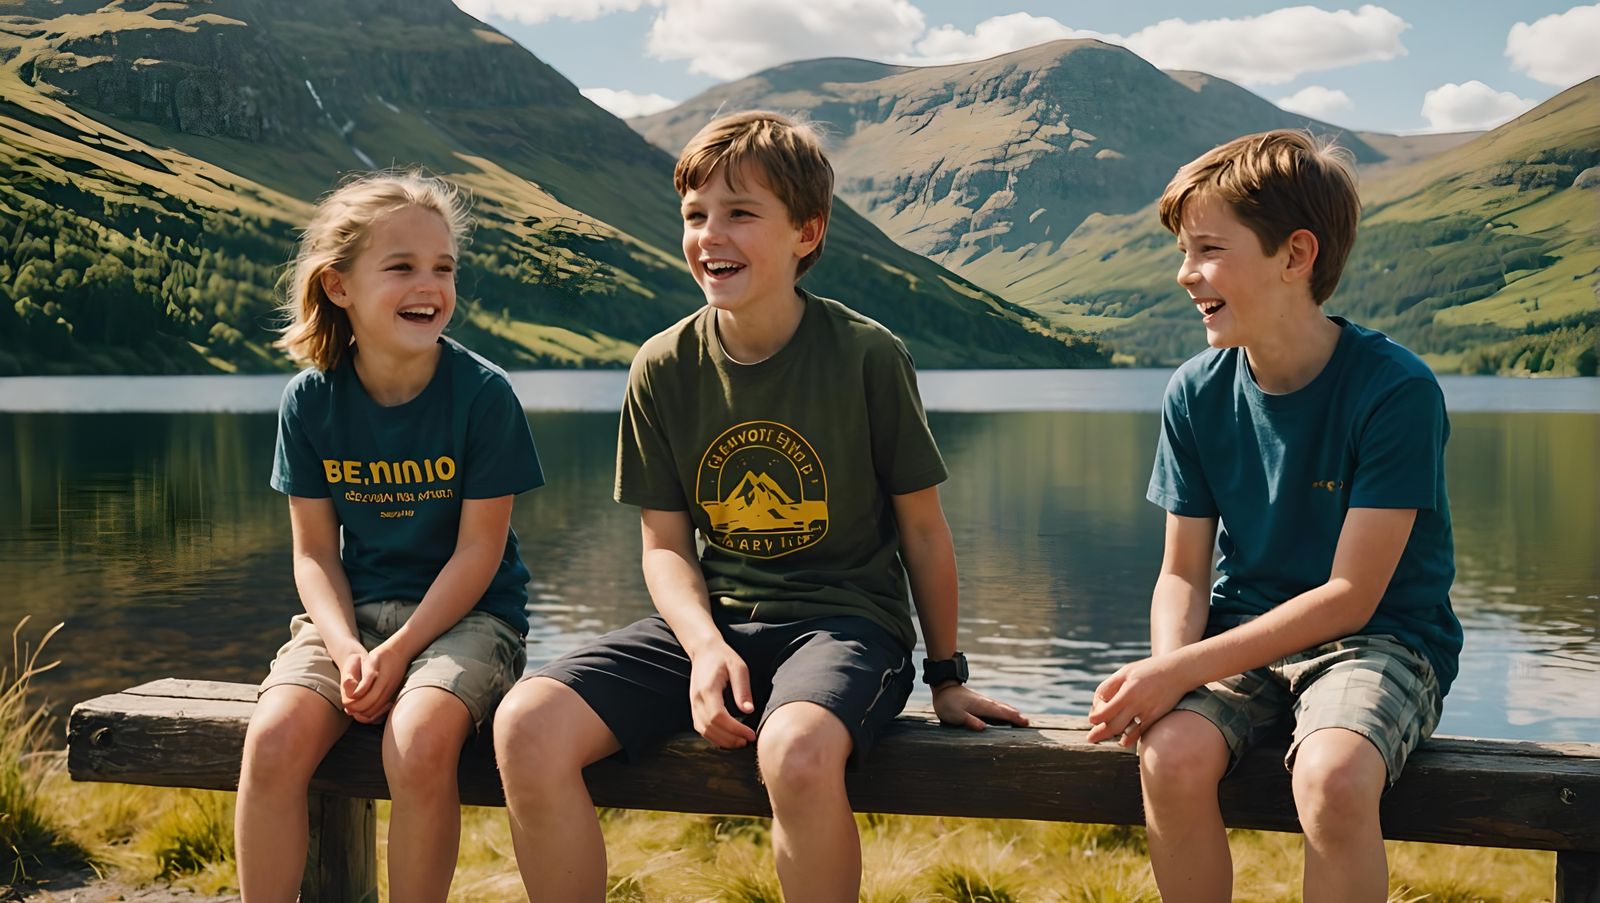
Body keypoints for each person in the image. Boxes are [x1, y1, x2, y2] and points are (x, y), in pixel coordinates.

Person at [493, 110, 1027, 901]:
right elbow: (666, 546)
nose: (712, 235)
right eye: (696, 215)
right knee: (524, 726)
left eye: (742, 214)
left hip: (848, 625)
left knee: (797, 752)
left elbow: (921, 528)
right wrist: (707, 647)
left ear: (805, 233)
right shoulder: (662, 365)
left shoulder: (868, 356)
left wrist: (946, 676)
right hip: (718, 624)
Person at [1086, 130, 1462, 902]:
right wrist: (1168, 676)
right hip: (1241, 640)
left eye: (1209, 249)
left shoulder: (1396, 391)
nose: (1187, 274)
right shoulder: (1195, 391)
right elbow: (1182, 573)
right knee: (1169, 756)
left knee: (1331, 775)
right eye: (1183, 252)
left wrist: (1177, 669)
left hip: (1380, 640)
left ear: (1296, 256)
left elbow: (1351, 595)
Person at [234, 170, 543, 902]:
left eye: (443, 268)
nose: (428, 285)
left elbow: (480, 551)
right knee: (271, 742)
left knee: (418, 740)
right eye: (401, 266)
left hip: (472, 619)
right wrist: (345, 647)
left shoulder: (484, 395)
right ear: (339, 286)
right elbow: (312, 552)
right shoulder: (310, 399)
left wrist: (400, 653)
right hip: (353, 618)